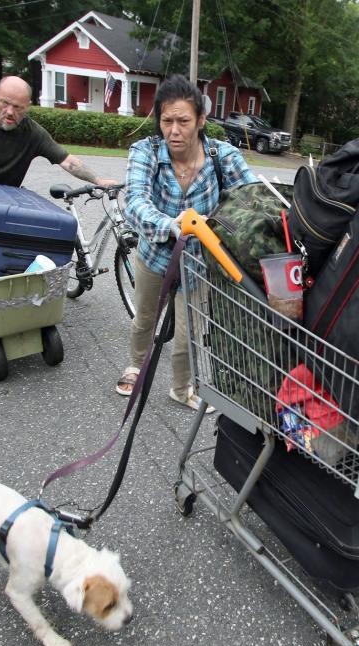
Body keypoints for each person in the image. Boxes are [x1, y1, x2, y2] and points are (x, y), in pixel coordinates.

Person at [117, 74, 257, 409]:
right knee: (145, 318)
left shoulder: (222, 155)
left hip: (198, 262)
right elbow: (134, 201)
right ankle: (136, 364)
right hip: (155, 255)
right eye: (167, 121)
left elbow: (252, 199)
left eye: (183, 121)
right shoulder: (146, 151)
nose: (174, 131)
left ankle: (182, 387)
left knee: (188, 332)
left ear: (201, 120)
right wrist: (169, 225)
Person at [0, 75, 118, 321]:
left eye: (17, 107)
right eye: (4, 103)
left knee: (1, 249)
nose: (9, 112)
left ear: (27, 106)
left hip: (3, 203)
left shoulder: (32, 133)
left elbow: (68, 161)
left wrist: (99, 180)